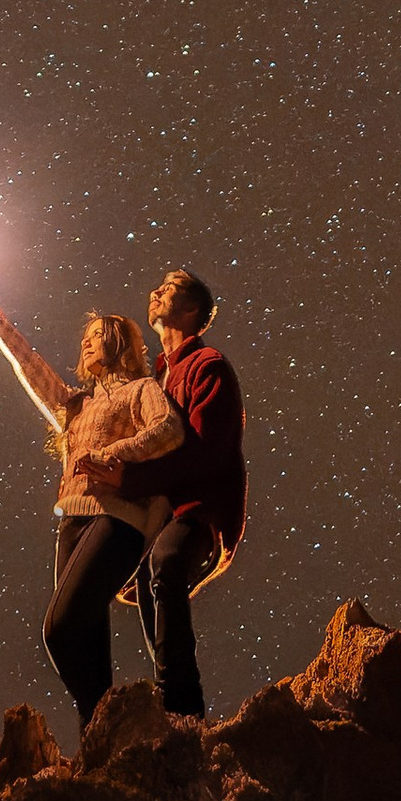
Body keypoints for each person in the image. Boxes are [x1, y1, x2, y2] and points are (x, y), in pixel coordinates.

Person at [0, 265, 186, 740]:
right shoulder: (74, 405)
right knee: (84, 636)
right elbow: (27, 362)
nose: (86, 343)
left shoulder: (141, 390)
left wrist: (112, 454)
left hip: (117, 518)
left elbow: (169, 431)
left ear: (120, 343)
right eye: (84, 337)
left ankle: (115, 721)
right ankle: (100, 740)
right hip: (71, 523)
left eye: (97, 336)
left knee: (58, 629)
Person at [107, 264, 245, 724]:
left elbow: (205, 454)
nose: (155, 292)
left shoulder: (209, 368)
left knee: (164, 567)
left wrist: (128, 481)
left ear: (190, 310)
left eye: (168, 290)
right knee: (151, 581)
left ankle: (182, 707)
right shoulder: (158, 380)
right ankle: (173, 704)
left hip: (199, 510)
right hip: (166, 512)